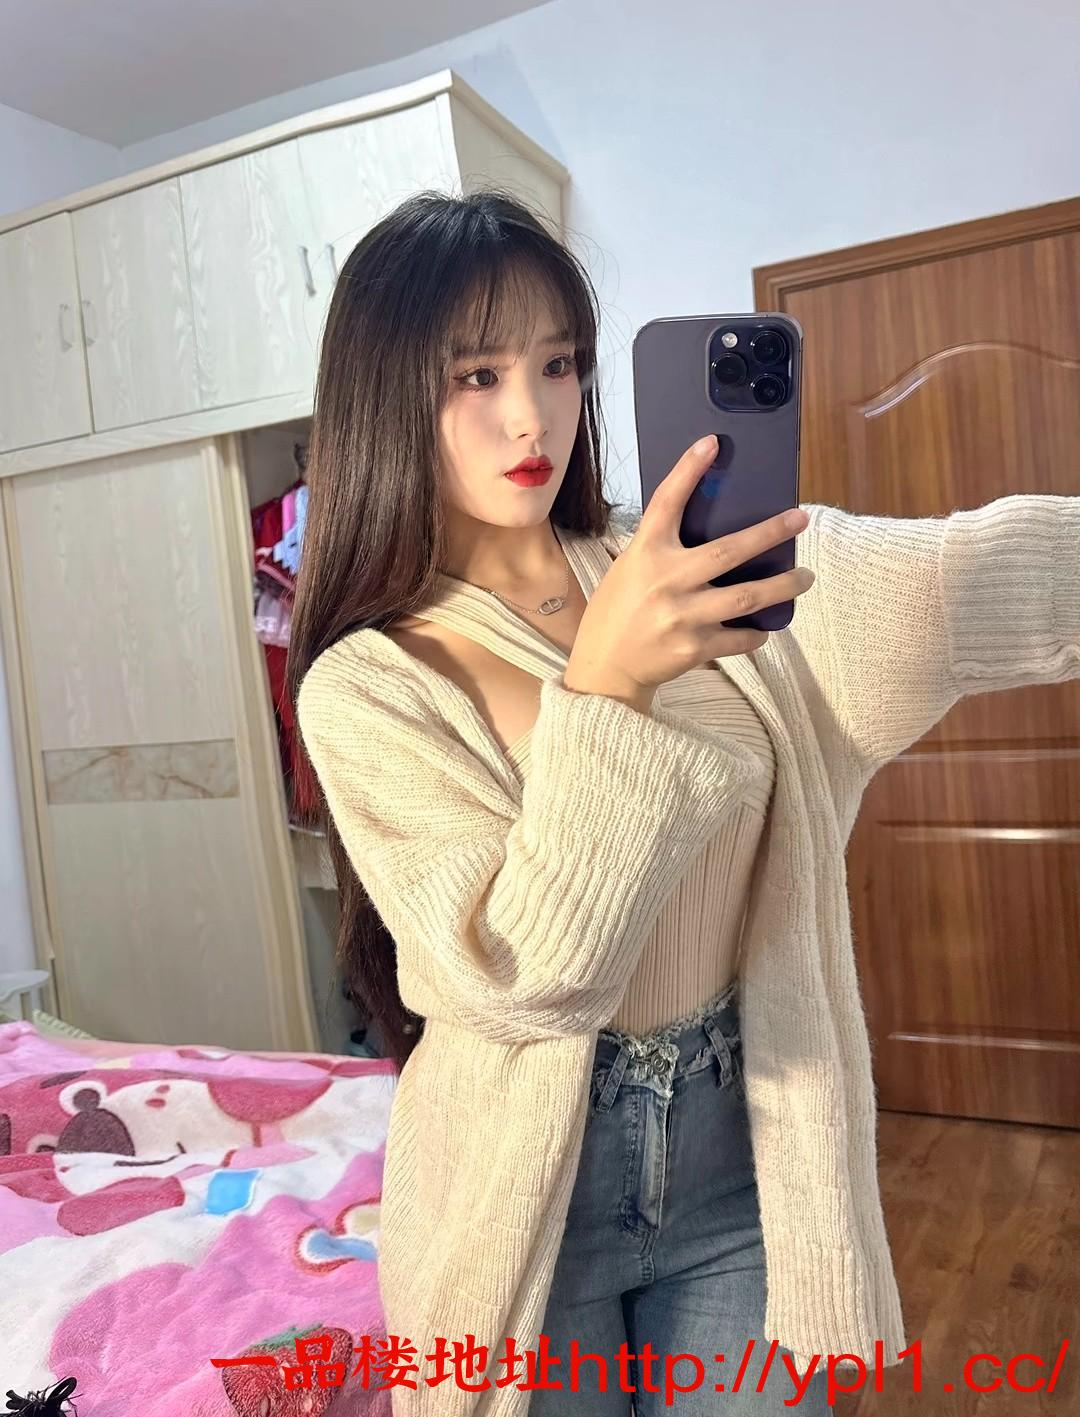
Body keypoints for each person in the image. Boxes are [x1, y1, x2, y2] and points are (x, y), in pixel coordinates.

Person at [288, 188, 1080, 1415]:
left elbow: (950, 582)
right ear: (385, 396)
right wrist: (608, 684)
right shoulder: (367, 684)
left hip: (742, 1158)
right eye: (475, 375)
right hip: (522, 1197)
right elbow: (523, 975)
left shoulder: (705, 573)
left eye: (559, 363)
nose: (530, 414)